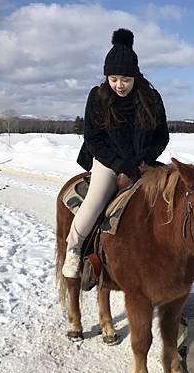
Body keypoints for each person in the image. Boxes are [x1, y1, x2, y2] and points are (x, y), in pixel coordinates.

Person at [62, 28, 169, 278]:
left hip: (144, 162)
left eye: (126, 79)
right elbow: (94, 139)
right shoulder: (98, 97)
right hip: (109, 161)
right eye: (113, 79)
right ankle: (74, 248)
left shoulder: (151, 98)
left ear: (135, 76)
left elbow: (162, 136)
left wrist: (144, 161)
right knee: (94, 202)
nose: (119, 85)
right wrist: (121, 165)